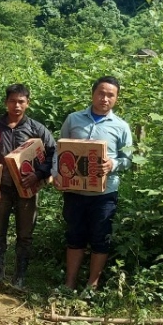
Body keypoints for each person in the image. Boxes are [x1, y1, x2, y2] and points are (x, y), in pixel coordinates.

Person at [53, 76, 133, 292]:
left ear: (116, 98)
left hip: (105, 194)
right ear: (92, 94)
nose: (104, 98)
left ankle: (92, 285)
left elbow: (128, 160)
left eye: (110, 95)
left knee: (100, 238)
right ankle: (69, 283)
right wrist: (56, 175)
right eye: (101, 93)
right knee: (74, 236)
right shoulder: (73, 119)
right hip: (75, 191)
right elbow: (60, 152)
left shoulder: (121, 126)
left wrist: (113, 164)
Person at [0, 84, 56, 291]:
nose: (16, 105)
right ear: (5, 102)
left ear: (27, 103)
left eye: (21, 101)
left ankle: (20, 278)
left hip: (28, 189)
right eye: (12, 101)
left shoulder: (36, 128)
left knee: (25, 234)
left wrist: (39, 174)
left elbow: (54, 153)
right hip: (1, 187)